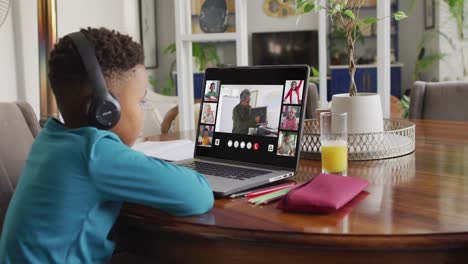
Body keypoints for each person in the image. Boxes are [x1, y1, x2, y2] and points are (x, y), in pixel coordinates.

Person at [0, 28, 214, 264]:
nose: (142, 109)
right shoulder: (94, 154)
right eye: (141, 101)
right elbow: (198, 196)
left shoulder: (50, 138)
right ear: (106, 110)